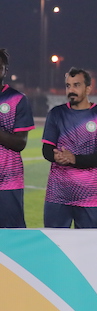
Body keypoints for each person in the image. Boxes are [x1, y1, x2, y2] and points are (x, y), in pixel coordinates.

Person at [42, 68, 97, 228]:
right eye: (68, 85)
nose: (71, 90)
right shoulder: (56, 113)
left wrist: (74, 159)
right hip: (57, 194)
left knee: (91, 243)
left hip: (90, 196)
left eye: (76, 85)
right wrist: (56, 156)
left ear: (88, 88)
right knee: (55, 241)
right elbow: (47, 149)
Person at [0, 48, 34, 228]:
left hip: (8, 182)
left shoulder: (17, 99)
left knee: (13, 236)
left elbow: (20, 143)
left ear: (5, 70)